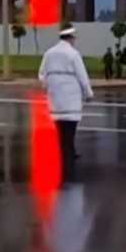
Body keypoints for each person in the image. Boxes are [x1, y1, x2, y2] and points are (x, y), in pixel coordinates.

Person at [39, 26, 94, 177]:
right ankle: (68, 155)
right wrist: (88, 93)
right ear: (70, 38)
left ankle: (62, 152)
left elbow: (42, 74)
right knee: (70, 129)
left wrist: (47, 86)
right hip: (70, 99)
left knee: (59, 128)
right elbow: (82, 76)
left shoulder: (49, 53)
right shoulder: (73, 54)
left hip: (55, 98)